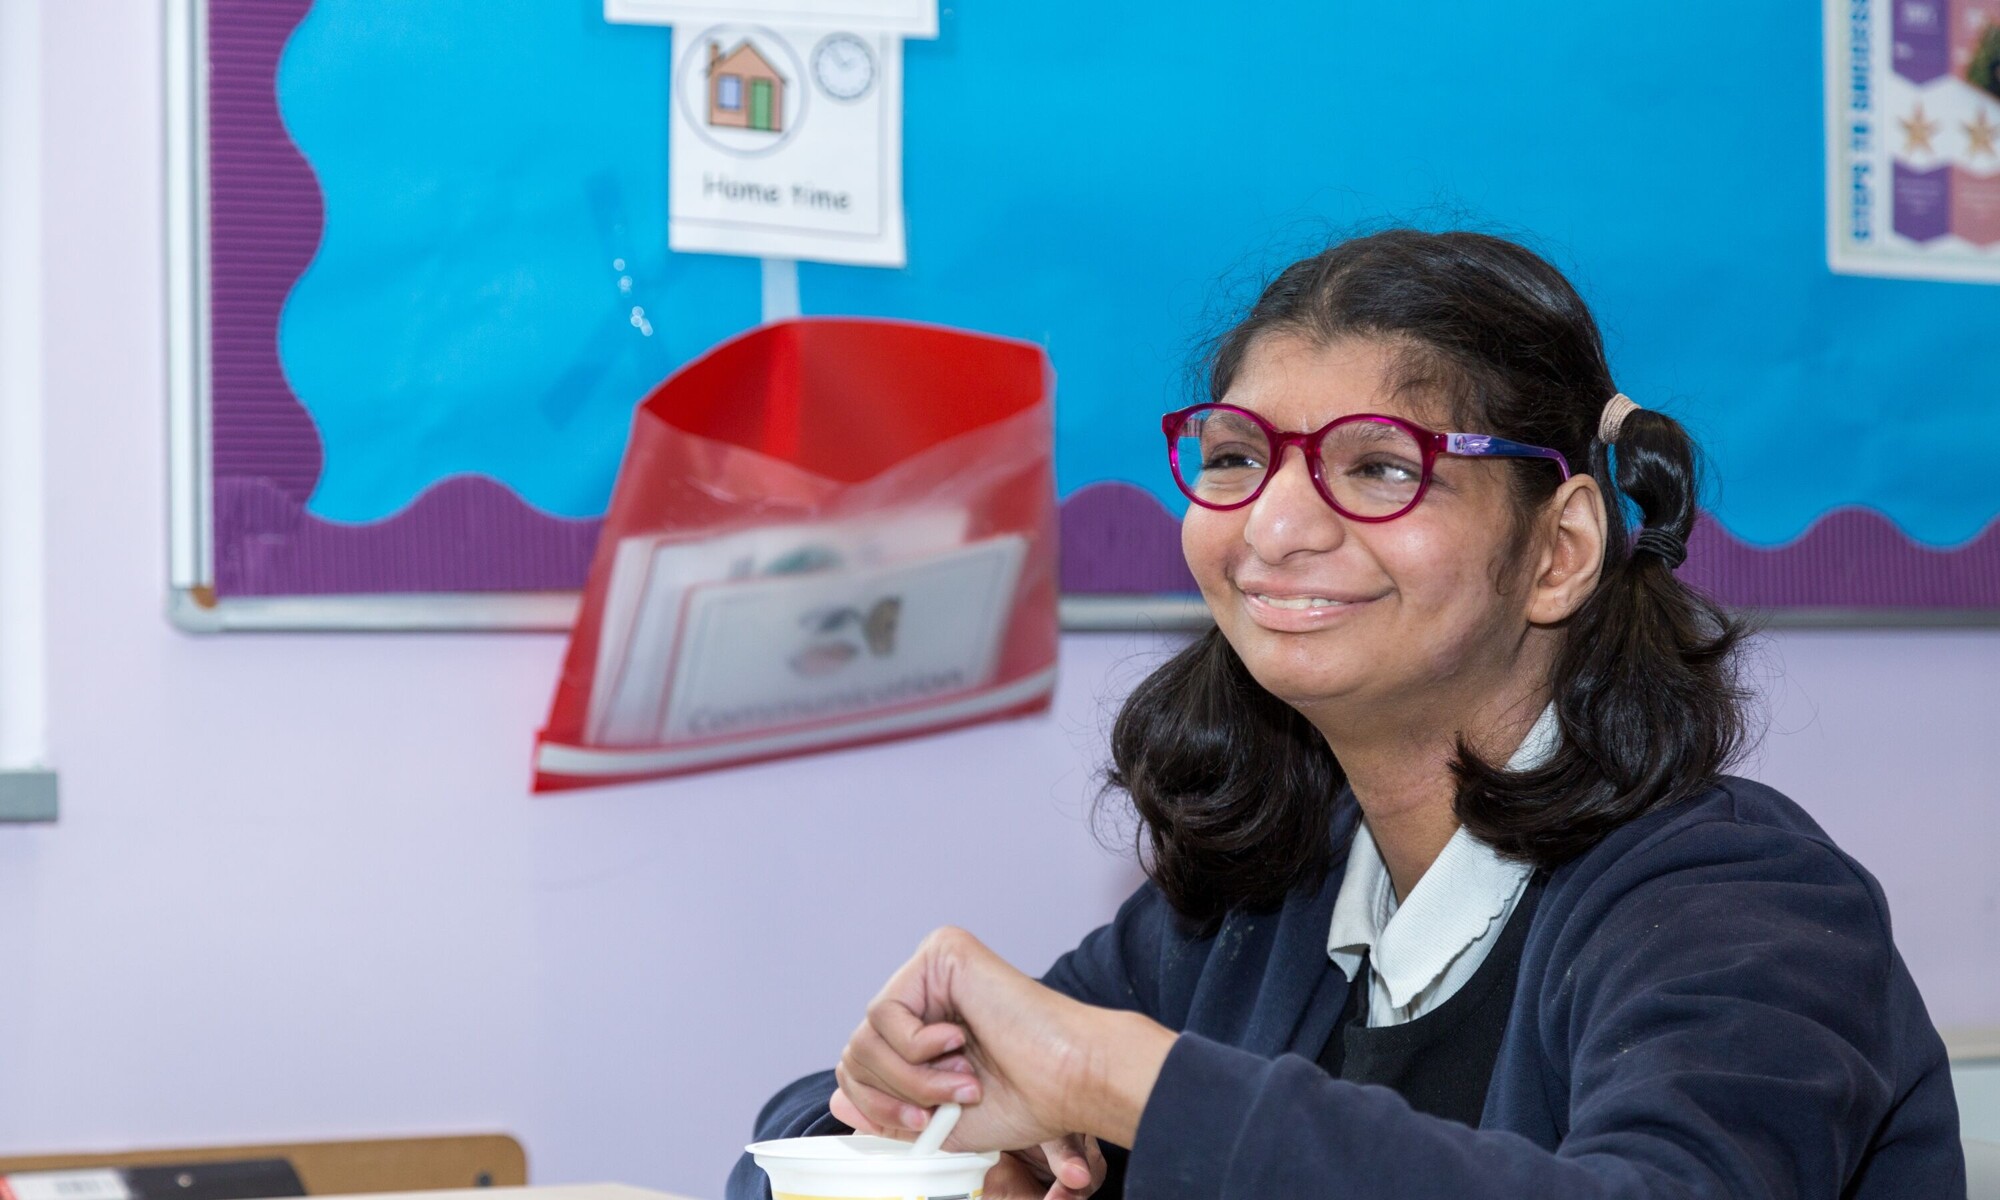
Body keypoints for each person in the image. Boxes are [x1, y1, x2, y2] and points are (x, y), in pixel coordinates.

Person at [728, 230, 1965, 1198]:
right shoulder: (1250, 910)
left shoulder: (1743, 901)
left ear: (1559, 552)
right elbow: (781, 1160)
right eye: (1231, 457)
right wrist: (897, 1118)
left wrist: (1118, 1081)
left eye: (1378, 466)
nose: (1271, 525)